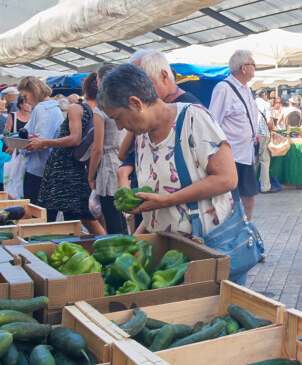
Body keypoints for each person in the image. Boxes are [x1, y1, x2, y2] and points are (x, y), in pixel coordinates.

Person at [96, 64, 235, 235]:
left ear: (136, 103)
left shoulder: (193, 118)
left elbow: (227, 179)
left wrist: (167, 201)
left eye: (118, 118)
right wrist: (136, 239)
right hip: (167, 247)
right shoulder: (142, 137)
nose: (119, 127)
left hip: (205, 245)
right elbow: (157, 204)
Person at [29, 77, 101, 233]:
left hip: (63, 165)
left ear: (85, 90)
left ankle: (43, 245)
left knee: (49, 213)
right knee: (77, 215)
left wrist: (44, 142)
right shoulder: (101, 111)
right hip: (82, 166)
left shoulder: (77, 108)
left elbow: (74, 139)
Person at [209, 50, 262, 220]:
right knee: (229, 201)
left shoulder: (247, 89)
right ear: (244, 68)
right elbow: (212, 122)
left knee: (249, 199)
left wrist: (255, 134)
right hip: (231, 156)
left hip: (246, 154)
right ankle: (231, 231)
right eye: (253, 64)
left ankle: (247, 228)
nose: (255, 68)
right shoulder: (223, 89)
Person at [86, 67, 127, 235]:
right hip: (125, 165)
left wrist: (90, 176)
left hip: (109, 168)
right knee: (123, 218)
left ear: (101, 81)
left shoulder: (101, 108)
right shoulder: (125, 101)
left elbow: (97, 149)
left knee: (113, 221)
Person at [18, 77, 63, 210]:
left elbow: (40, 142)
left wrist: (20, 145)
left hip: (39, 171)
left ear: (33, 91)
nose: (25, 101)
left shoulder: (43, 109)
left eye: (25, 96)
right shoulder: (51, 108)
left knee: (37, 214)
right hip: (45, 169)